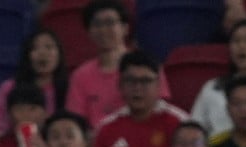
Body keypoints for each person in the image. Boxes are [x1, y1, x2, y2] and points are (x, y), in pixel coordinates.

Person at [90, 50, 188, 147]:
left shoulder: (179, 123)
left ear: (158, 85)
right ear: (120, 85)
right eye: (130, 81)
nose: (138, 88)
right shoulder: (105, 129)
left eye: (145, 81)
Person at [65, 0, 172, 128]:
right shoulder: (80, 76)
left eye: (110, 23)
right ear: (89, 32)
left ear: (125, 28)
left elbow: (160, 110)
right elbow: (76, 122)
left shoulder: (148, 66)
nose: (103, 29)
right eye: (97, 24)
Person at [0, 28, 69, 138]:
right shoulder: (9, 88)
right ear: (27, 55)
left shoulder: (69, 87)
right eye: (35, 48)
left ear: (59, 54)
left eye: (49, 47)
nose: (42, 53)